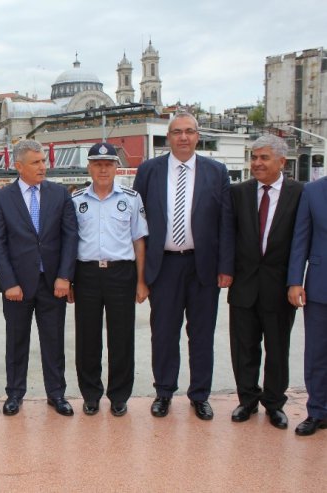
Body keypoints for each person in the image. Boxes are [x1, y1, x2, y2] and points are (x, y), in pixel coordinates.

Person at [133, 112, 234, 420]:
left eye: (189, 131)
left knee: (201, 334)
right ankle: (164, 392)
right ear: (169, 136)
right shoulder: (149, 170)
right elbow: (136, 221)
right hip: (163, 267)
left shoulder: (216, 171)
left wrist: (226, 267)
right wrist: (140, 274)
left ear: (197, 135)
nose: (183, 137)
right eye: (177, 132)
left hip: (202, 265)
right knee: (163, 333)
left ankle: (200, 395)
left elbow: (226, 223)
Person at [0, 139, 78, 416]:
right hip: (17, 286)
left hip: (53, 283)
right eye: (36, 162)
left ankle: (57, 394)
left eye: (43, 161)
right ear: (19, 166)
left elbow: (70, 237)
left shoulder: (59, 194)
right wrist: (9, 282)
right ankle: (15, 394)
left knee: (53, 341)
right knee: (16, 341)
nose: (43, 166)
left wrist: (65, 276)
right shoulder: (2, 198)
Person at [228, 135, 302, 429]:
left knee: (277, 348)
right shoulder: (239, 193)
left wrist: (296, 281)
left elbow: (301, 240)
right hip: (244, 285)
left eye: (264, 158)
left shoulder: (299, 194)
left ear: (282, 162)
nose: (257, 163)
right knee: (243, 347)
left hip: (279, 286)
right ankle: (247, 400)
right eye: (254, 157)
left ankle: (274, 403)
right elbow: (229, 236)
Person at [70, 143, 148, 418]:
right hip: (86, 274)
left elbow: (139, 242)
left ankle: (119, 395)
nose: (103, 169)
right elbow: (70, 243)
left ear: (116, 167)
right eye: (97, 164)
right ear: (89, 167)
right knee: (87, 338)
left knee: (121, 338)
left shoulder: (131, 198)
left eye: (108, 164)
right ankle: (90, 395)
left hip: (120, 274)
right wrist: (69, 281)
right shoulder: (77, 200)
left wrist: (141, 281)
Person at [287, 176, 327, 436]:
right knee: (317, 353)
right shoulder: (313, 191)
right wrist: (294, 281)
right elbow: (301, 239)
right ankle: (317, 411)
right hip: (320, 286)